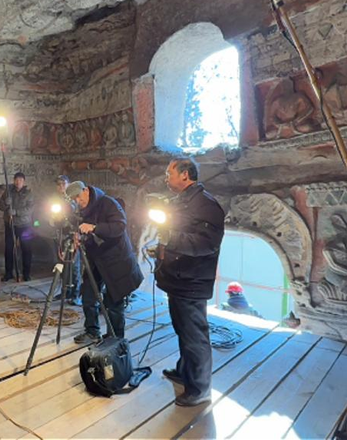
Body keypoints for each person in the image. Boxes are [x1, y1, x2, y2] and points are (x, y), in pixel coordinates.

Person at [155, 155, 225, 407]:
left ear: (185, 174)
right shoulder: (183, 202)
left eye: (170, 173)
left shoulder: (206, 204)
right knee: (183, 330)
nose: (166, 178)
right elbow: (177, 234)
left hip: (192, 281)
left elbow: (207, 244)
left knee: (195, 335)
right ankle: (185, 372)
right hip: (178, 278)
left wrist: (170, 239)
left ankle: (200, 388)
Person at [66, 181, 143, 342]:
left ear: (86, 190)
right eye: (74, 199)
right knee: (88, 295)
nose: (78, 201)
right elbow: (81, 227)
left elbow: (119, 226)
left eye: (78, 197)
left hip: (115, 258)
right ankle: (92, 331)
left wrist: (95, 227)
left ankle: (115, 339)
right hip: (95, 258)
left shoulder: (108, 203)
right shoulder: (81, 210)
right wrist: (78, 235)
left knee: (114, 300)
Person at [0, 172, 35, 281]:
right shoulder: (8, 192)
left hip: (24, 225)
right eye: (16, 180)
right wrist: (6, 203)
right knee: (9, 249)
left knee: (26, 249)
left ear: (24, 182)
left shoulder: (28, 194)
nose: (18, 182)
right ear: (14, 180)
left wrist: (16, 212)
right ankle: (9, 273)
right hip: (10, 224)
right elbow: (0, 206)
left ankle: (26, 273)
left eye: (20, 180)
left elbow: (30, 209)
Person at [51, 175, 81, 305]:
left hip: (73, 235)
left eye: (63, 184)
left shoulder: (75, 198)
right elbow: (53, 217)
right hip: (61, 235)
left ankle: (76, 293)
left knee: (74, 265)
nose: (61, 187)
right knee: (62, 264)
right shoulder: (56, 200)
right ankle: (65, 291)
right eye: (58, 184)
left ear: (69, 185)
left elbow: (78, 216)